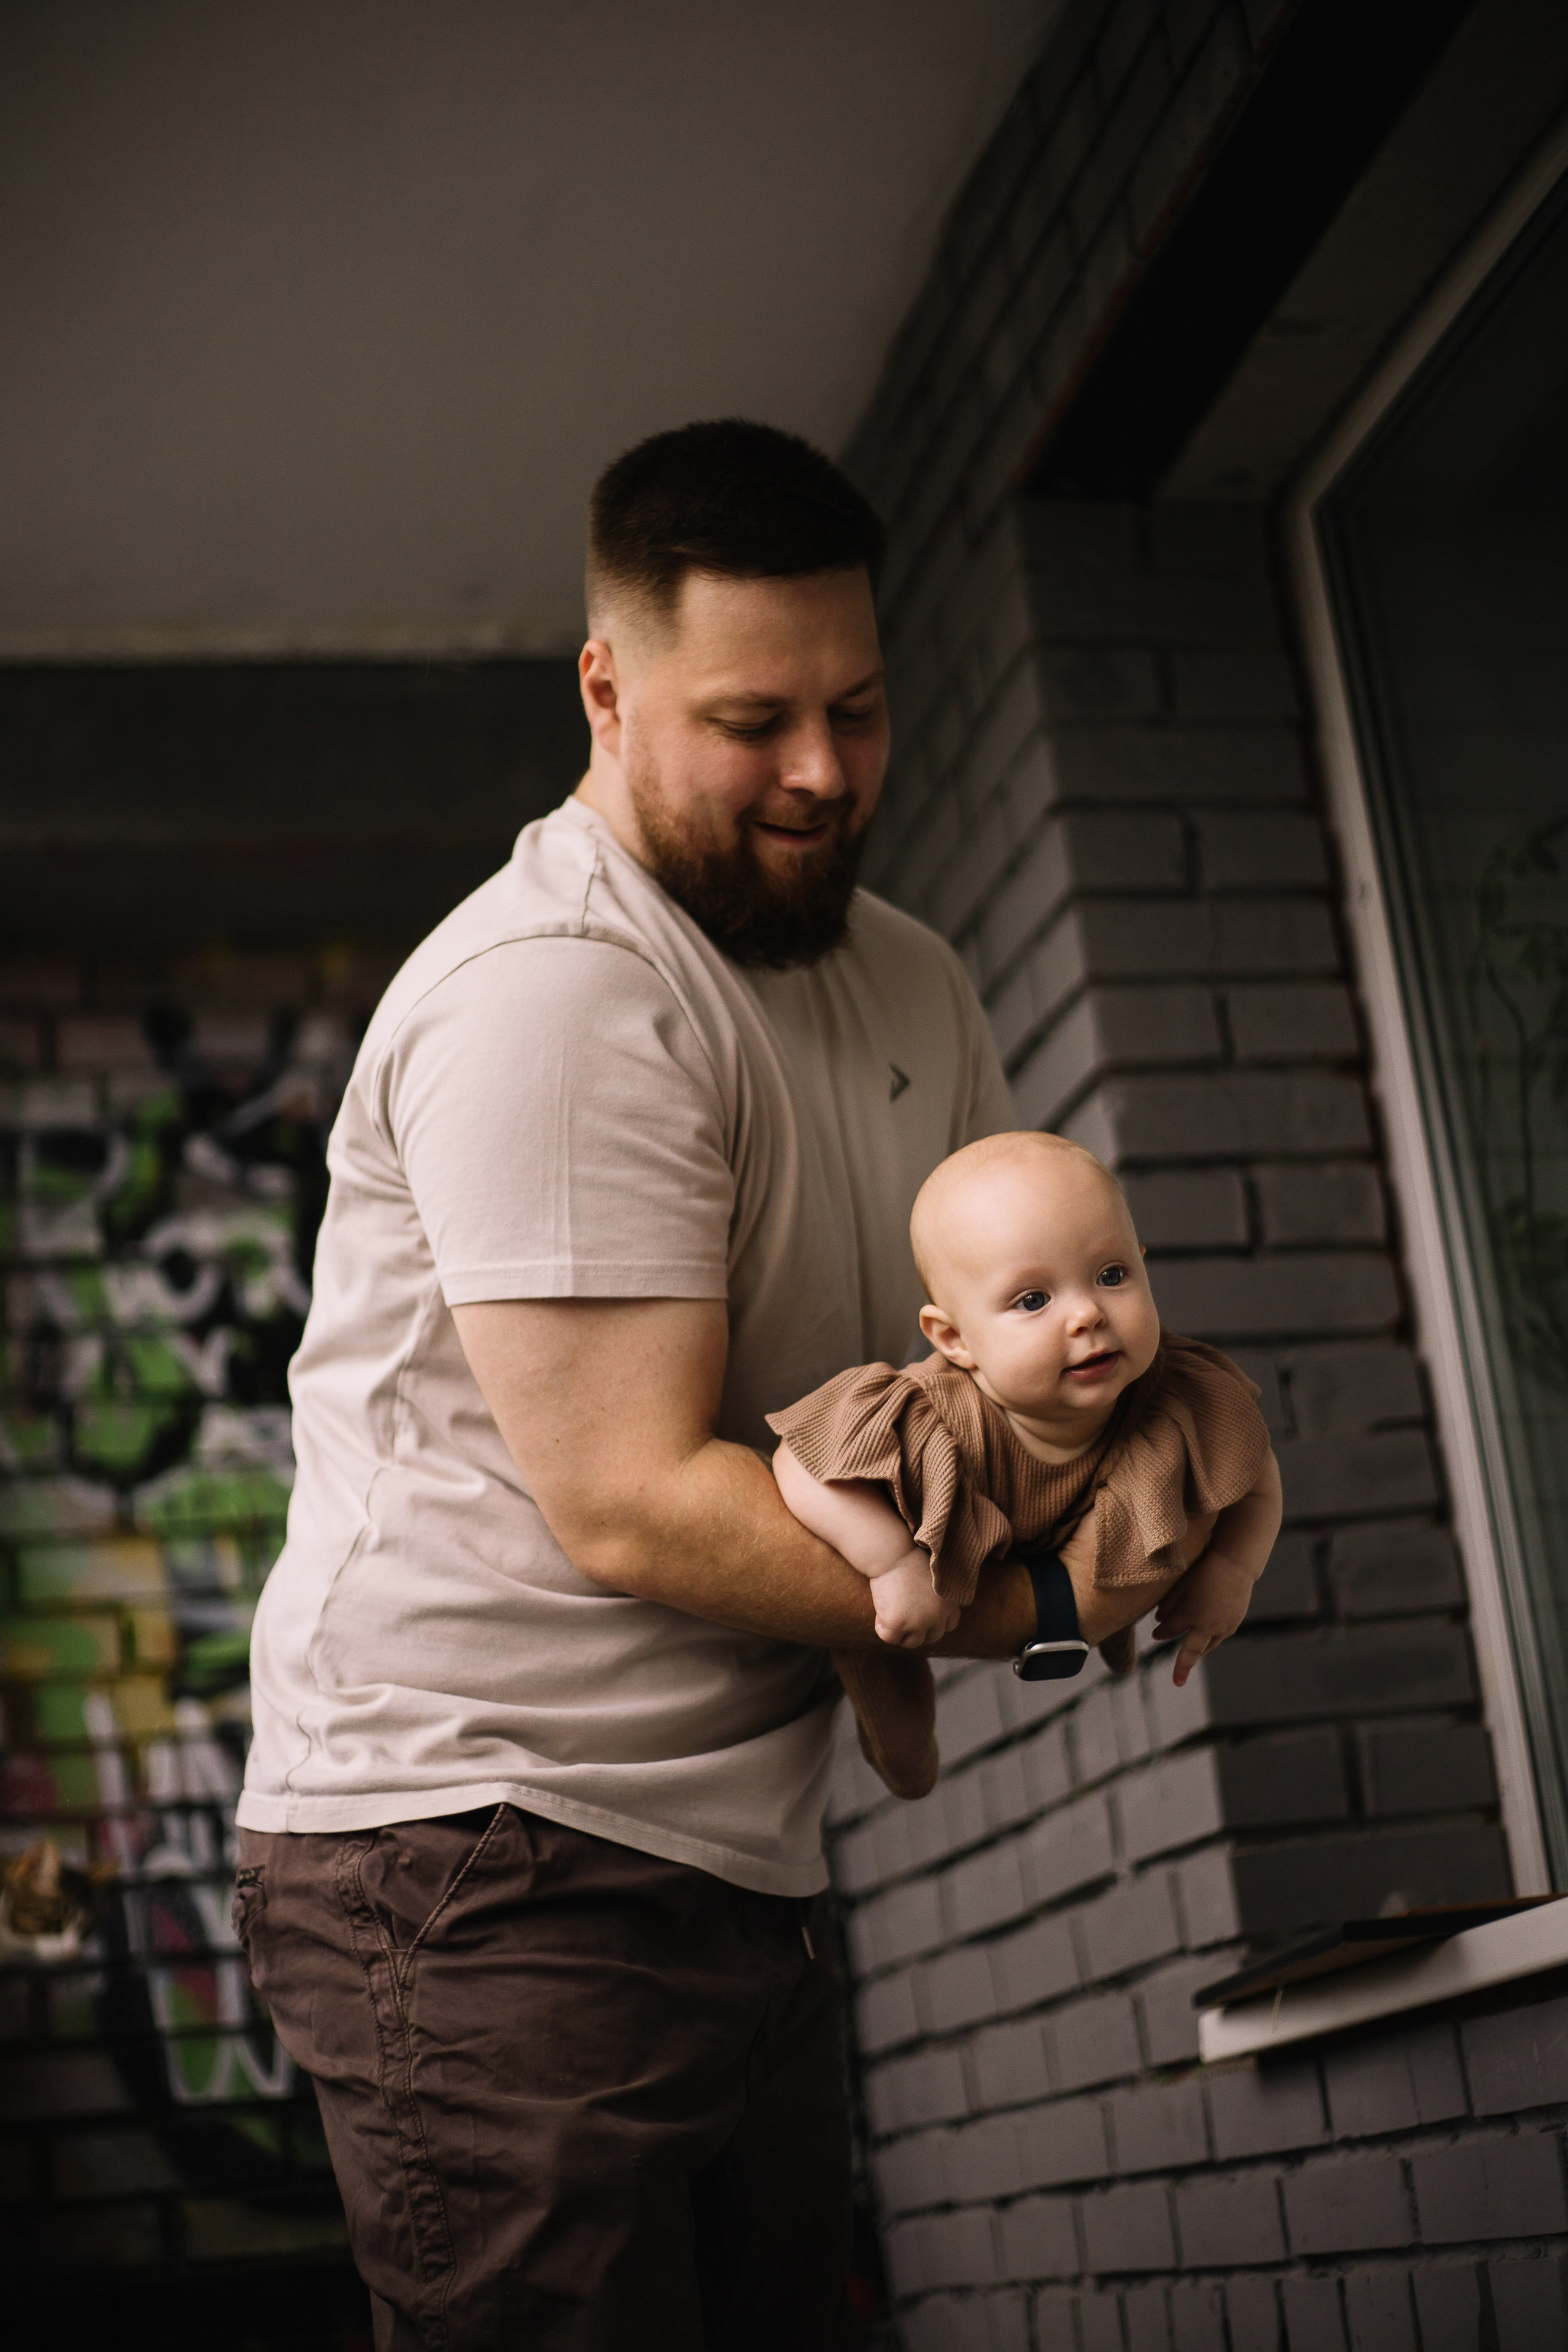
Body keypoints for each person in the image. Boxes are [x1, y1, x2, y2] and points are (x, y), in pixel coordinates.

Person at [233, 420, 1149, 2351]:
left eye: (858, 706)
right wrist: (1051, 1604)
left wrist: (1151, 1450)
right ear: (605, 687)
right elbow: (633, 1494)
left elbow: (991, 1373)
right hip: (472, 1855)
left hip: (739, 1853)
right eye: (751, 720)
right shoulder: (559, 990)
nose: (821, 770)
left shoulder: (914, 985)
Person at [767, 1130, 1283, 1798]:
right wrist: (889, 1561)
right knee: (889, 1662)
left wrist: (1234, 1568)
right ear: (955, 1340)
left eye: (1112, 1275)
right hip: (912, 1544)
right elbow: (799, 1464)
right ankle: (900, 1747)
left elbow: (1255, 1473)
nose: (1088, 1314)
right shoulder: (929, 1419)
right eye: (1032, 1300)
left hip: (1066, 1537)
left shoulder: (1174, 1393)